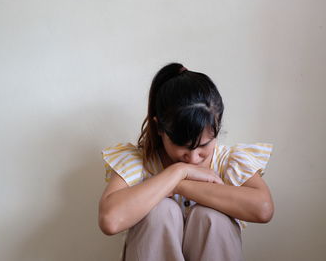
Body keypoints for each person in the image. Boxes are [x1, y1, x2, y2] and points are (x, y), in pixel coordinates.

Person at [98, 62, 274, 261]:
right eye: (182, 146)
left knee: (211, 218)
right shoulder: (140, 161)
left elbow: (264, 209)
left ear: (217, 127)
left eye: (204, 146)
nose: (193, 157)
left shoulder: (228, 161)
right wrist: (177, 172)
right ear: (160, 128)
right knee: (161, 212)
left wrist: (179, 186)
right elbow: (110, 220)